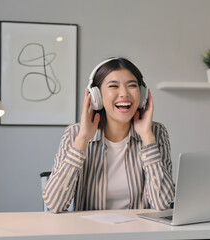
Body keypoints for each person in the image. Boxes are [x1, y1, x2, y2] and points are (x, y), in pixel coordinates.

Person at [43, 57, 175, 213]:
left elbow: (163, 204)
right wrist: (83, 139)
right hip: (91, 233)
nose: (124, 94)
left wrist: (147, 137)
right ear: (96, 96)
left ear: (142, 93)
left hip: (138, 233)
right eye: (113, 86)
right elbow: (54, 205)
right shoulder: (75, 134)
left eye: (132, 86)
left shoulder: (156, 133)